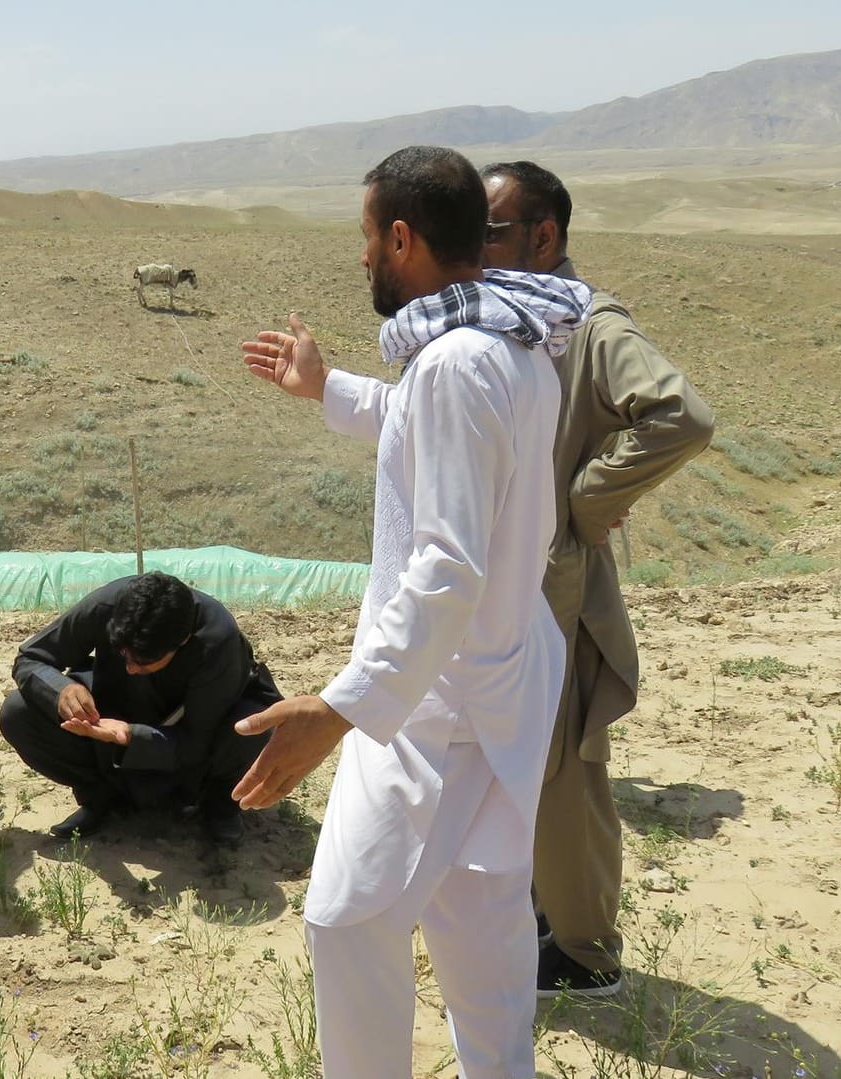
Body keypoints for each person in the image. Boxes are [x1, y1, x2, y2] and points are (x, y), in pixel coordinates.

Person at [235, 145, 590, 1079]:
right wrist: (327, 388)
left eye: (366, 237)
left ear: (402, 237)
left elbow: (445, 568)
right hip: (490, 689)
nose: (360, 259)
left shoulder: (460, 362)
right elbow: (425, 435)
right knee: (482, 937)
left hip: (435, 708)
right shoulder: (507, 346)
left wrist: (338, 707)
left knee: (344, 917)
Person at [479, 160, 714, 998]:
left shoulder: (589, 324)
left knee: (566, 765)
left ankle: (582, 952)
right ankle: (544, 911)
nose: (476, 249)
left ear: (544, 235)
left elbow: (680, 415)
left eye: (493, 231)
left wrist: (585, 499)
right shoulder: (518, 321)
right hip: (511, 584)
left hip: (556, 585)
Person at [0, 571, 280, 846]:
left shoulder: (219, 640)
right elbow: (30, 658)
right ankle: (100, 797)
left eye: (143, 663)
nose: (130, 668)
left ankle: (220, 806)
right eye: (123, 656)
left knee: (253, 724)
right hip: (114, 718)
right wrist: (61, 690)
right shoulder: (108, 605)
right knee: (18, 712)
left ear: (181, 642)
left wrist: (133, 737)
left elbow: (196, 742)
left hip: (189, 745)